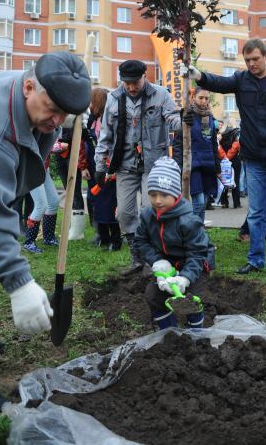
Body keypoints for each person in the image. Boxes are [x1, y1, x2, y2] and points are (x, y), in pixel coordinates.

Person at [0, 51, 91, 415]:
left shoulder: (32, 98)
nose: (57, 121)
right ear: (28, 87)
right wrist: (20, 283)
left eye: (65, 116)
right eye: (52, 109)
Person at [181, 38, 266, 282]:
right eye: (247, 60)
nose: (251, 64)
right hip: (254, 157)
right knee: (256, 212)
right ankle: (256, 260)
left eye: (255, 59)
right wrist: (199, 75)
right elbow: (219, 82)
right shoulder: (242, 80)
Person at [95, 60, 182, 274]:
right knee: (124, 213)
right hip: (124, 163)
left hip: (153, 165)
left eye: (135, 82)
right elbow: (105, 134)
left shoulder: (161, 95)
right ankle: (137, 257)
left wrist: (185, 119)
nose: (131, 87)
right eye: (127, 83)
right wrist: (100, 165)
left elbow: (173, 121)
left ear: (145, 76)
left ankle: (151, 259)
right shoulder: (114, 99)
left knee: (148, 210)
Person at [135, 157, 212, 330]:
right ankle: (169, 333)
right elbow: (141, 240)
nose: (158, 200)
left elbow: (197, 253)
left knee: (191, 299)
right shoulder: (148, 216)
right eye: (153, 194)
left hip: (193, 265)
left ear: (176, 195)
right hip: (166, 264)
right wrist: (157, 261)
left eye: (164, 195)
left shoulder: (188, 221)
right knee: (154, 295)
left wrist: (184, 278)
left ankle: (196, 333)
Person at [172, 86, 220, 222]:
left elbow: (213, 143)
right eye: (201, 98)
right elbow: (177, 144)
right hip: (192, 165)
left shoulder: (210, 117)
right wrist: (178, 166)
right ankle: (191, 232)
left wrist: (218, 167)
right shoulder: (186, 115)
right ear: (193, 97)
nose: (204, 101)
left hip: (208, 164)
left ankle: (199, 233)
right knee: (198, 202)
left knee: (203, 203)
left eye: (206, 98)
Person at [83, 87, 121, 251]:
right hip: (95, 166)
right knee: (97, 201)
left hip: (108, 167)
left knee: (110, 203)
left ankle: (116, 239)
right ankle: (103, 237)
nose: (90, 104)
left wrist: (110, 167)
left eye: (92, 100)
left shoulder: (111, 120)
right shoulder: (93, 120)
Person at [23, 161, 60, 253]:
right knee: (41, 205)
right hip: (31, 166)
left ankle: (48, 238)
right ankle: (29, 242)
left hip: (43, 167)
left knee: (53, 201)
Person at [218, 118, 241, 209]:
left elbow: (217, 145)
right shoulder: (236, 132)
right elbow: (236, 146)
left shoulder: (220, 133)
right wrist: (228, 157)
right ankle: (236, 203)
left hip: (222, 160)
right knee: (236, 181)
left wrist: (224, 157)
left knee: (223, 181)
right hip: (234, 160)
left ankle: (224, 202)